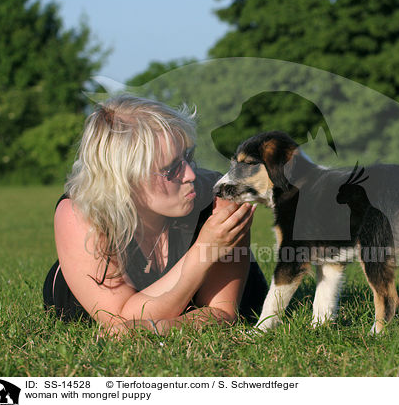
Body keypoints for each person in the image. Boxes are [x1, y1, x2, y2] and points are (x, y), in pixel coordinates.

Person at [42, 95, 268, 335]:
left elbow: (222, 312)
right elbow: (121, 319)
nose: (190, 174)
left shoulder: (216, 198)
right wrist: (204, 251)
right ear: (125, 178)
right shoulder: (80, 212)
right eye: (170, 169)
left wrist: (162, 327)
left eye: (188, 157)